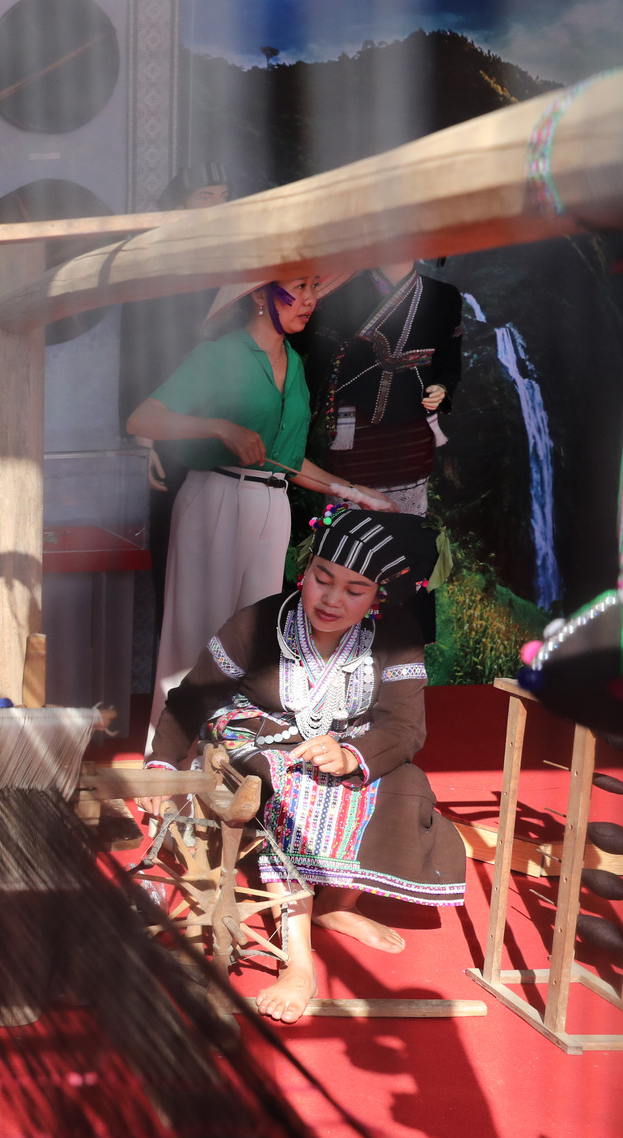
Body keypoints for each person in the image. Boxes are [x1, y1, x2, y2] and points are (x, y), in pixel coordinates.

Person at [146, 507, 467, 1021]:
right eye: (323, 578)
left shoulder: (397, 634)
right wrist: (160, 765)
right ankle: (299, 960)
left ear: (378, 598)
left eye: (355, 590)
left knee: (404, 781)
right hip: (257, 735)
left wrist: (350, 755)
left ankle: (341, 906)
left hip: (343, 743)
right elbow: (192, 698)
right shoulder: (257, 621)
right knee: (290, 783)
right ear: (307, 568)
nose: (332, 599)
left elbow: (406, 726)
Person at [127, 275, 399, 743]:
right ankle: (171, 761)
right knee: (200, 633)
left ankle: (234, 757)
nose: (311, 299)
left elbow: (288, 462)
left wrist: (355, 491)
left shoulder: (294, 363)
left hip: (273, 505)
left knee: (254, 637)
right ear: (258, 294)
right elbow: (143, 419)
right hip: (216, 496)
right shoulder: (220, 354)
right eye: (299, 286)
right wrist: (219, 428)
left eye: (316, 287)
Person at [119, 163, 238, 621]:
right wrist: (143, 439)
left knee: (232, 552)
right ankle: (177, 682)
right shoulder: (150, 261)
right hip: (169, 420)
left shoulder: (242, 258)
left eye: (223, 195)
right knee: (174, 544)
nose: (216, 206)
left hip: (236, 419)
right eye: (204, 197)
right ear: (180, 205)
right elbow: (136, 352)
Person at [301, 259, 464, 516]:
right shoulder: (342, 294)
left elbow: (449, 360)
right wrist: (300, 427)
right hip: (355, 434)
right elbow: (319, 366)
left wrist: (442, 387)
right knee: (347, 524)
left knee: (404, 526)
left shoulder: (445, 297)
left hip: (412, 435)